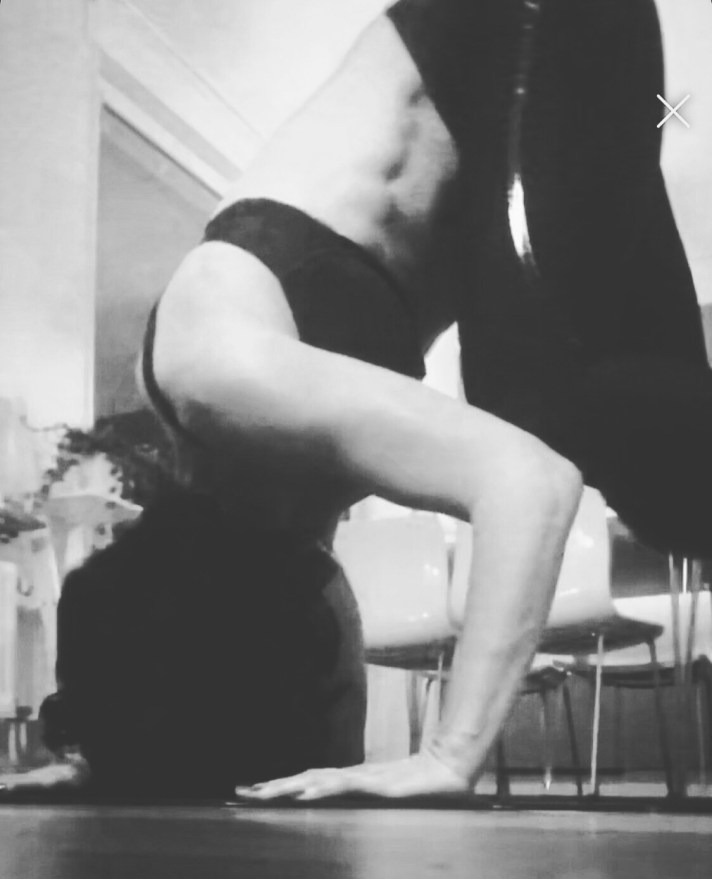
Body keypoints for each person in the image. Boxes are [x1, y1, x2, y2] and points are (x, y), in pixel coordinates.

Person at [2, 0, 710, 802]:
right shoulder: (263, 519)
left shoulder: (215, 374)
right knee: (677, 493)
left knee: (545, 406)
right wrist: (108, 746)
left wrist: (448, 756)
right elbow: (167, 665)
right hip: (518, 88)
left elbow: (531, 481)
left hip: (522, 21)